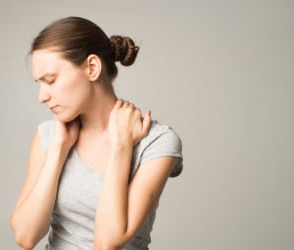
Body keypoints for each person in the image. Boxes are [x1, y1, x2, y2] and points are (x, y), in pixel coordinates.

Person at [10, 16, 183, 250]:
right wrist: (59, 149)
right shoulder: (49, 135)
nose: (42, 96)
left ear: (92, 68)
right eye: (39, 83)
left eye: (50, 80)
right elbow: (25, 236)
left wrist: (122, 146)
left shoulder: (156, 142)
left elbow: (107, 242)